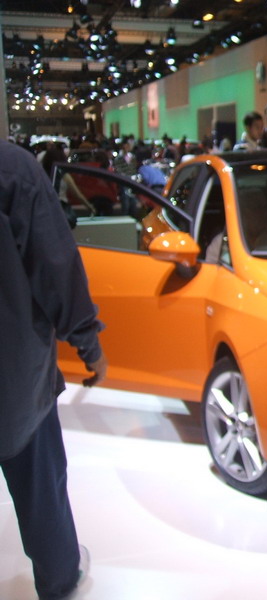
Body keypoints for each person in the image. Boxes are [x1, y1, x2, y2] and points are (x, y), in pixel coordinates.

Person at [0, 139, 107, 598]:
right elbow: (56, 268)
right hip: (13, 374)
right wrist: (89, 344)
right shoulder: (12, 169)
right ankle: (60, 576)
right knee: (41, 484)